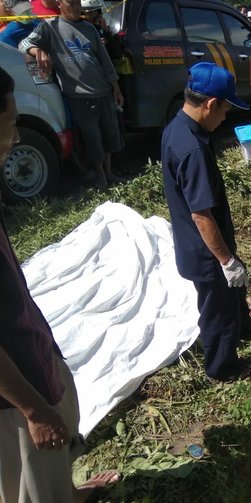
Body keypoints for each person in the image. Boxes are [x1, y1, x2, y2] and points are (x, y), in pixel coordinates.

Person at [0, 65, 120, 503]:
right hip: (13, 396)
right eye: (11, 123)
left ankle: (69, 492)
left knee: (55, 459)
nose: (15, 138)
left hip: (30, 351)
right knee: (31, 476)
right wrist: (32, 409)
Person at [161, 63, 251, 381]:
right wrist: (226, 259)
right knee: (218, 311)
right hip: (207, 251)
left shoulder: (179, 128)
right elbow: (201, 214)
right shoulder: (192, 150)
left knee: (233, 297)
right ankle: (221, 367)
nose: (226, 116)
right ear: (211, 104)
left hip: (201, 243)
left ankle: (243, 330)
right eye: (226, 108)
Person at [20, 0, 125, 187]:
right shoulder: (50, 27)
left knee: (110, 135)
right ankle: (99, 174)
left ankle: (109, 172)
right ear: (60, 3)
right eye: (72, 3)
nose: (77, 8)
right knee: (92, 138)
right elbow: (24, 43)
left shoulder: (89, 28)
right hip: (80, 96)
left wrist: (115, 87)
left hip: (104, 91)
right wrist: (38, 50)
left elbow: (104, 59)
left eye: (78, 3)